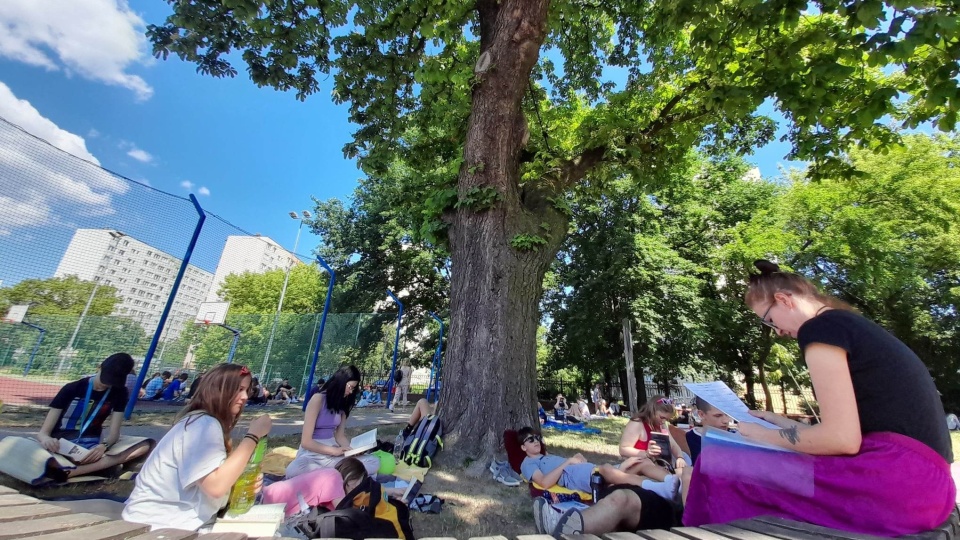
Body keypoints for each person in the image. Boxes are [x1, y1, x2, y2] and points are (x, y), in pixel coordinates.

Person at [684, 260, 955, 536]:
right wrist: (780, 424)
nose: (776, 331)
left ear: (784, 300)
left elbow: (841, 440)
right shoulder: (847, 325)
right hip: (926, 488)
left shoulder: (820, 330)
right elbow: (850, 436)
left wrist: (760, 435)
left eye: (768, 319)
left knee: (716, 463)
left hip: (895, 485)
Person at [123, 363, 273, 531]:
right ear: (218, 390)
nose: (245, 397)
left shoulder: (202, 422)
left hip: (172, 522)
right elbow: (215, 487)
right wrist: (253, 436)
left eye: (247, 390)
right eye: (238, 389)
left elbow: (211, 481)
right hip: (161, 525)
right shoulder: (203, 426)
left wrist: (237, 485)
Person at [36, 353, 153, 479]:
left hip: (93, 446)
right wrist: (47, 440)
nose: (106, 385)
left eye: (112, 382)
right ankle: (97, 467)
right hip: (62, 443)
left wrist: (104, 446)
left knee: (145, 445)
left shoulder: (119, 392)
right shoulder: (72, 388)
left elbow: (114, 434)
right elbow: (43, 433)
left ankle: (72, 471)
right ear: (100, 368)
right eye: (105, 379)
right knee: (42, 455)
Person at [517, 427, 678, 501]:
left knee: (642, 461)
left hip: (587, 470)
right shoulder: (528, 463)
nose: (536, 441)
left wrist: (576, 458)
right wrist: (568, 462)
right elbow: (544, 483)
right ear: (523, 447)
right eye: (530, 439)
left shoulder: (547, 456)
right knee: (607, 470)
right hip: (573, 476)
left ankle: (674, 484)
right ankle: (659, 488)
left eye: (537, 437)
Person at [285, 365, 380, 478]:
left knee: (374, 461)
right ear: (341, 382)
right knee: (292, 471)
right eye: (350, 387)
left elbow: (339, 436)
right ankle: (342, 476)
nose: (351, 391)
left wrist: (353, 451)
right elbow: (306, 442)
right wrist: (333, 451)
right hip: (313, 454)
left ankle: (331, 476)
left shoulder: (343, 404)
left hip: (334, 454)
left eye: (353, 389)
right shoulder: (318, 399)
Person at [533, 485, 678, 537]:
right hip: (667, 498)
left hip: (680, 517)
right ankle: (562, 526)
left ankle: (559, 527)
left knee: (620, 499)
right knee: (614, 495)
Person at [617, 396, 683, 498]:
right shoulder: (637, 423)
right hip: (636, 466)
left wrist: (680, 457)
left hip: (658, 466)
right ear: (652, 410)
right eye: (662, 417)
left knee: (682, 469)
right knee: (645, 462)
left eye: (667, 419)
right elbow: (623, 449)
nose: (663, 421)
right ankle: (672, 482)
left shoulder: (661, 425)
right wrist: (646, 453)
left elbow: (673, 444)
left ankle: (678, 484)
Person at [684, 396, 730, 466]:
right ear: (702, 414)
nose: (726, 421)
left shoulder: (736, 438)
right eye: (718, 415)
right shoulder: (688, 439)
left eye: (728, 414)